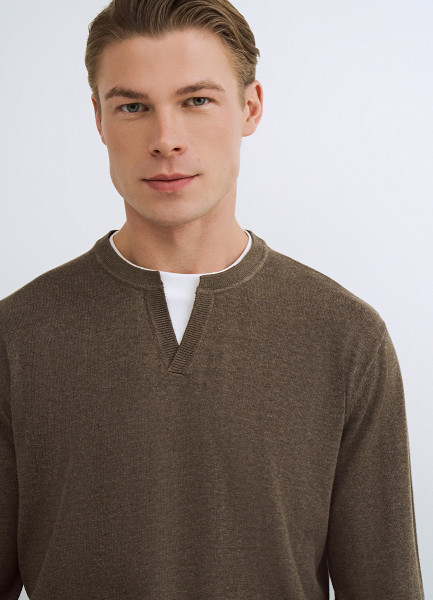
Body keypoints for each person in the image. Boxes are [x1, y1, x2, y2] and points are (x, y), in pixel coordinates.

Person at [0, 0, 425, 598]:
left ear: (250, 107)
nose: (165, 140)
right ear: (98, 118)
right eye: (133, 107)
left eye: (196, 100)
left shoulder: (347, 338)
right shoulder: (17, 336)